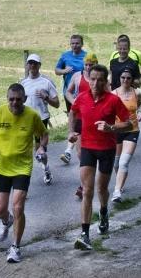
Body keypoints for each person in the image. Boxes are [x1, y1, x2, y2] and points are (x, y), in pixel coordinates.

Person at [68, 64, 132, 250]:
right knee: (87, 190)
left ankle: (103, 212)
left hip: (106, 149)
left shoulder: (113, 100)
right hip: (87, 147)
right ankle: (85, 234)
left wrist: (111, 128)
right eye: (93, 79)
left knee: (101, 188)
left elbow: (128, 123)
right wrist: (71, 132)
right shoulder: (82, 98)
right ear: (89, 78)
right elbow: (73, 112)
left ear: (106, 81)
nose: (95, 83)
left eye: (100, 80)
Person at [0, 83, 49, 263]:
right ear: (7, 99)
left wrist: (41, 148)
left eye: (18, 99)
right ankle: (6, 221)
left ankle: (15, 247)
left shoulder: (32, 116)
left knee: (18, 206)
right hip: (2, 167)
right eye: (11, 99)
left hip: (22, 167)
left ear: (25, 99)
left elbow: (44, 134)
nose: (14, 103)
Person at [21, 53, 60, 185]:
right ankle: (22, 177)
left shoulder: (46, 82)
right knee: (22, 150)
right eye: (30, 63)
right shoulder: (22, 83)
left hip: (40, 119)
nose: (32, 66)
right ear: (27, 65)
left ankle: (46, 169)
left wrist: (46, 97)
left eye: (35, 63)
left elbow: (57, 103)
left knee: (40, 152)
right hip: (24, 120)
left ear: (39, 65)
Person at [65, 53, 99, 200]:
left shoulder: (100, 79)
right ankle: (84, 183)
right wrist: (74, 102)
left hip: (94, 119)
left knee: (91, 153)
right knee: (80, 154)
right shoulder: (77, 77)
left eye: (91, 65)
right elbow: (68, 91)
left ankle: (84, 184)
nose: (88, 67)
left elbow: (109, 94)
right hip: (79, 118)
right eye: (86, 64)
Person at [111, 68, 141, 202]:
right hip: (117, 130)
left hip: (132, 130)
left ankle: (116, 192)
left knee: (124, 162)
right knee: (117, 163)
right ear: (119, 78)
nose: (125, 80)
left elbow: (139, 105)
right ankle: (120, 183)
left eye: (128, 78)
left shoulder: (137, 92)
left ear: (132, 80)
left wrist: (140, 112)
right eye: (123, 77)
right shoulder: (113, 94)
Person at [55, 35, 86, 165]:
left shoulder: (86, 57)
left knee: (82, 120)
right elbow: (57, 70)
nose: (75, 45)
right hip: (69, 94)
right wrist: (64, 71)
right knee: (73, 119)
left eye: (77, 43)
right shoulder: (65, 56)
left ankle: (73, 149)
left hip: (84, 95)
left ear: (82, 44)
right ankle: (70, 149)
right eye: (72, 43)